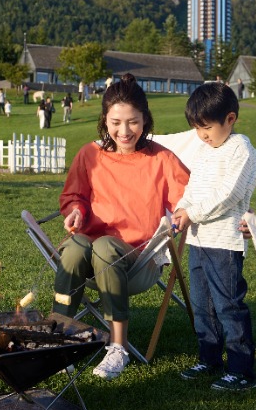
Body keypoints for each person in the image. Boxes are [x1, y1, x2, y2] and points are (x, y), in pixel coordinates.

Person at [55, 73, 190, 379]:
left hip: (138, 263)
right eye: (116, 122)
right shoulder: (90, 155)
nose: (124, 131)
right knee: (75, 248)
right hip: (89, 261)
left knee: (104, 246)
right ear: (105, 121)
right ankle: (60, 338)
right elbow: (74, 196)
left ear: (146, 120)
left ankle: (118, 348)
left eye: (133, 121)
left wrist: (183, 213)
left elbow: (191, 198)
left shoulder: (162, 160)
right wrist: (75, 211)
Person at [171, 82, 256, 392]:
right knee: (201, 303)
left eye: (207, 127)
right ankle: (209, 358)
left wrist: (192, 213)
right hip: (198, 240)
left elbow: (229, 194)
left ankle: (241, 370)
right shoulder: (206, 151)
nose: (203, 135)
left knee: (228, 305)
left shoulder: (241, 150)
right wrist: (182, 209)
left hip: (224, 242)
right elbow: (192, 189)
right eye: (198, 129)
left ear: (230, 119)